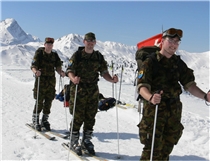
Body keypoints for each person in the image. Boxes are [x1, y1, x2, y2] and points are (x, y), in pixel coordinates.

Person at [137, 28, 210, 161]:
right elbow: (142, 86)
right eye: (171, 40)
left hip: (173, 113)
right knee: (151, 152)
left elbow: (190, 85)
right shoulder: (151, 62)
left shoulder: (178, 64)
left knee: (166, 150)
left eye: (177, 42)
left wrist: (205, 96)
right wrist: (151, 97)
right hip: (155, 112)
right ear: (163, 41)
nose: (174, 44)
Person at [66, 32, 118, 155]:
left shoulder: (98, 57)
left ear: (95, 42)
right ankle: (73, 140)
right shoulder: (78, 55)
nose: (90, 43)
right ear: (84, 42)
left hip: (93, 90)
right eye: (88, 40)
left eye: (92, 41)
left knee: (90, 116)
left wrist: (111, 79)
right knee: (78, 116)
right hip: (78, 89)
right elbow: (69, 70)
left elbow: (104, 71)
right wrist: (73, 78)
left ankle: (86, 140)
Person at [31, 37, 65, 131]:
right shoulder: (39, 54)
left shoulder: (54, 55)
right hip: (41, 81)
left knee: (49, 101)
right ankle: (35, 119)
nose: (49, 46)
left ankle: (44, 120)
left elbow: (58, 67)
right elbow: (33, 66)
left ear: (52, 45)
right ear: (44, 44)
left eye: (51, 44)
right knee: (39, 100)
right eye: (47, 44)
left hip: (51, 81)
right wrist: (36, 72)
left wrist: (61, 72)